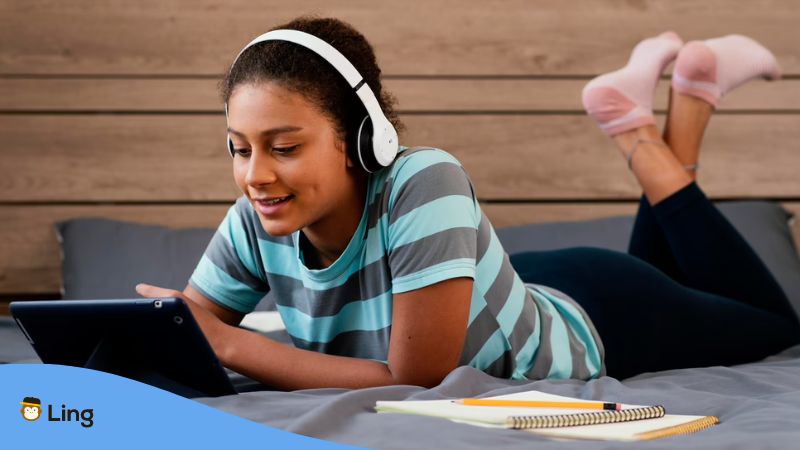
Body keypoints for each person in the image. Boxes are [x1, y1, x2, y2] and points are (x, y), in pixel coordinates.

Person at [136, 18, 800, 389]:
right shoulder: (259, 215)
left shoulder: (425, 181)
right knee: (694, 281)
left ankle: (636, 132)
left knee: (776, 328)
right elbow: (184, 335)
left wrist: (230, 342)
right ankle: (689, 96)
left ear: (361, 140)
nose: (254, 174)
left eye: (283, 147)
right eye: (238, 148)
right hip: (496, 291)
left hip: (601, 314)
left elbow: (416, 376)